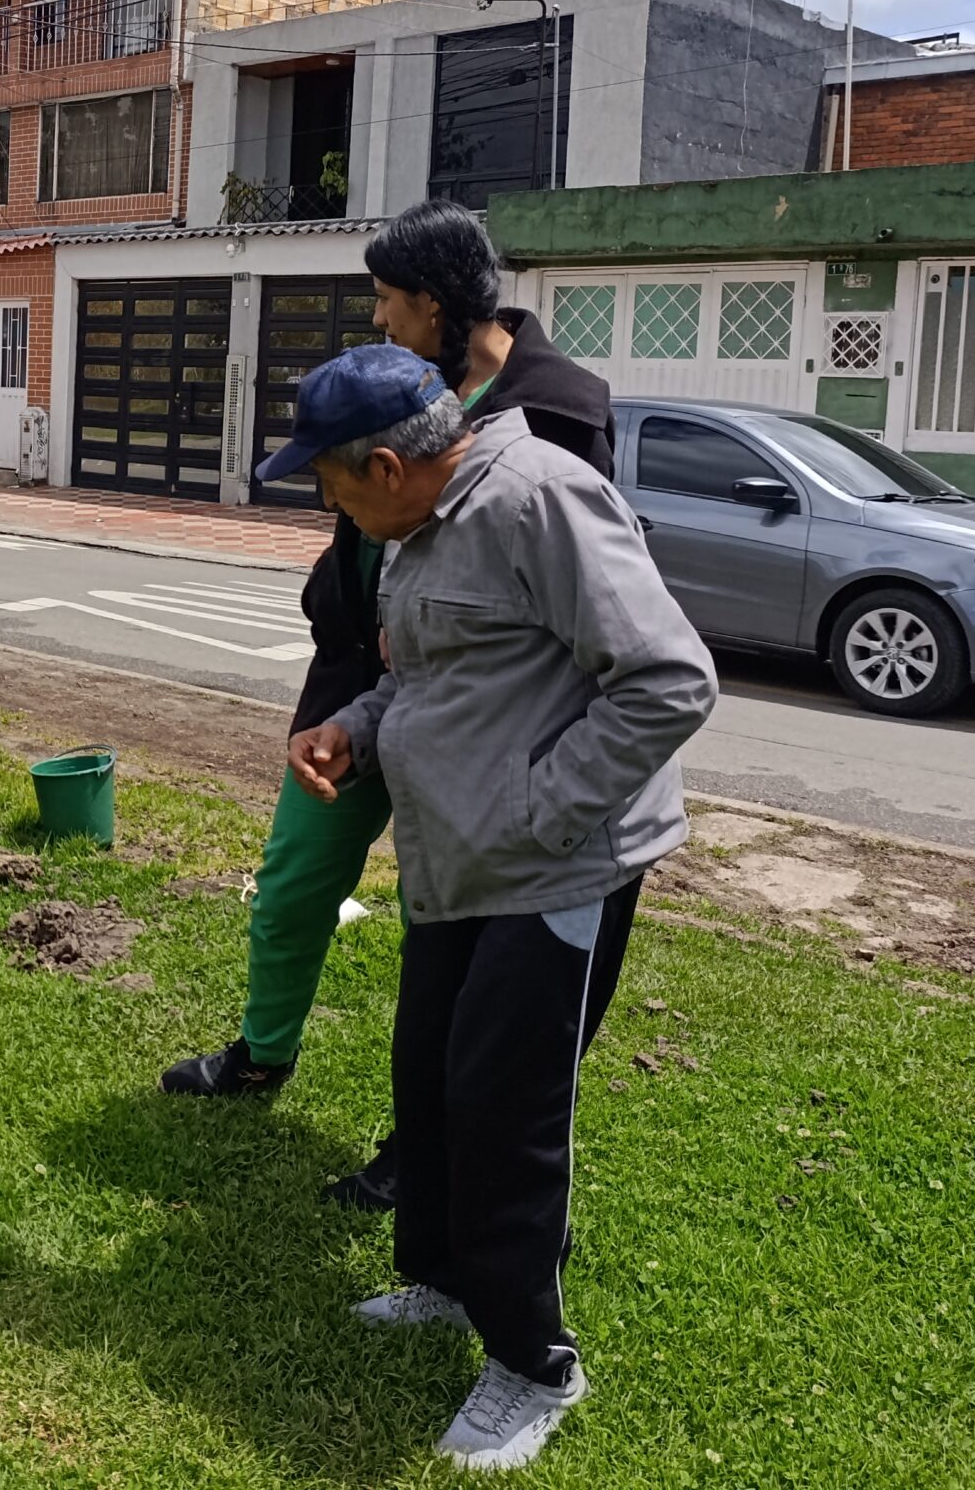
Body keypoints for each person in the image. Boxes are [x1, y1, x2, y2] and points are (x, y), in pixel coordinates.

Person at [273, 345, 715, 1471]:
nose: (331, 509)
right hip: (455, 858)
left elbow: (668, 678)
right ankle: (439, 1277)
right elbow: (435, 674)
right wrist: (359, 727)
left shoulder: (539, 500)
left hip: (552, 865)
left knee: (503, 1106)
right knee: (426, 1074)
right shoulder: (421, 528)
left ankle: (532, 1360)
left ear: (384, 465)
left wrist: (536, 806)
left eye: (328, 486)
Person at [160, 200, 617, 1212]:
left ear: (433, 302)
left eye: (383, 300)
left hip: (475, 712)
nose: (374, 320)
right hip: (358, 688)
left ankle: (423, 1143)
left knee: (444, 936)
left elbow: (605, 616)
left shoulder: (559, 409)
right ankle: (262, 1050)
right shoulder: (397, 387)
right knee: (292, 877)